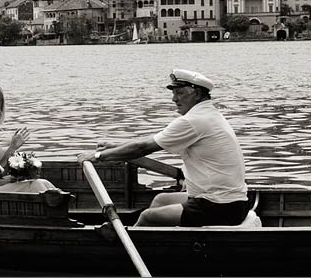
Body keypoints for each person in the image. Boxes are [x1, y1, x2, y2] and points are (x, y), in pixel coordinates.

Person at [77, 69, 248, 227]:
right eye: (174, 93)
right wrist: (116, 147)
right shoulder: (207, 114)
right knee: (161, 200)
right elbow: (152, 140)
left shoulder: (193, 121)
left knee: (148, 217)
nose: (174, 99)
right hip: (228, 202)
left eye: (179, 93)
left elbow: (142, 147)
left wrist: (97, 156)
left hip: (221, 206)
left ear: (196, 93)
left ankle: (126, 253)